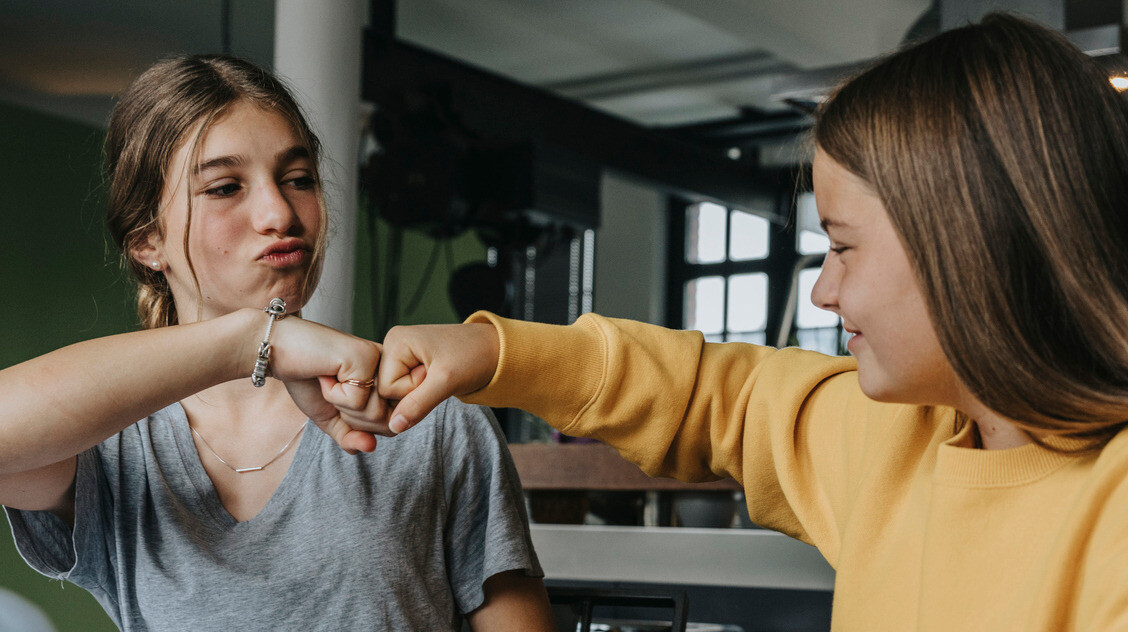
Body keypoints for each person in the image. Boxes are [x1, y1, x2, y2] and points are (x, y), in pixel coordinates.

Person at [376, 13, 1128, 631]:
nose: (824, 292)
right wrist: (491, 351)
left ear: (967, 249)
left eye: (841, 248)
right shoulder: (897, 435)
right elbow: (713, 394)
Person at [0, 54, 554, 632]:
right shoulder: (112, 438)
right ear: (146, 242)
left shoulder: (424, 412)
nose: (280, 212)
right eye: (224, 187)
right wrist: (250, 341)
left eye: (298, 179)